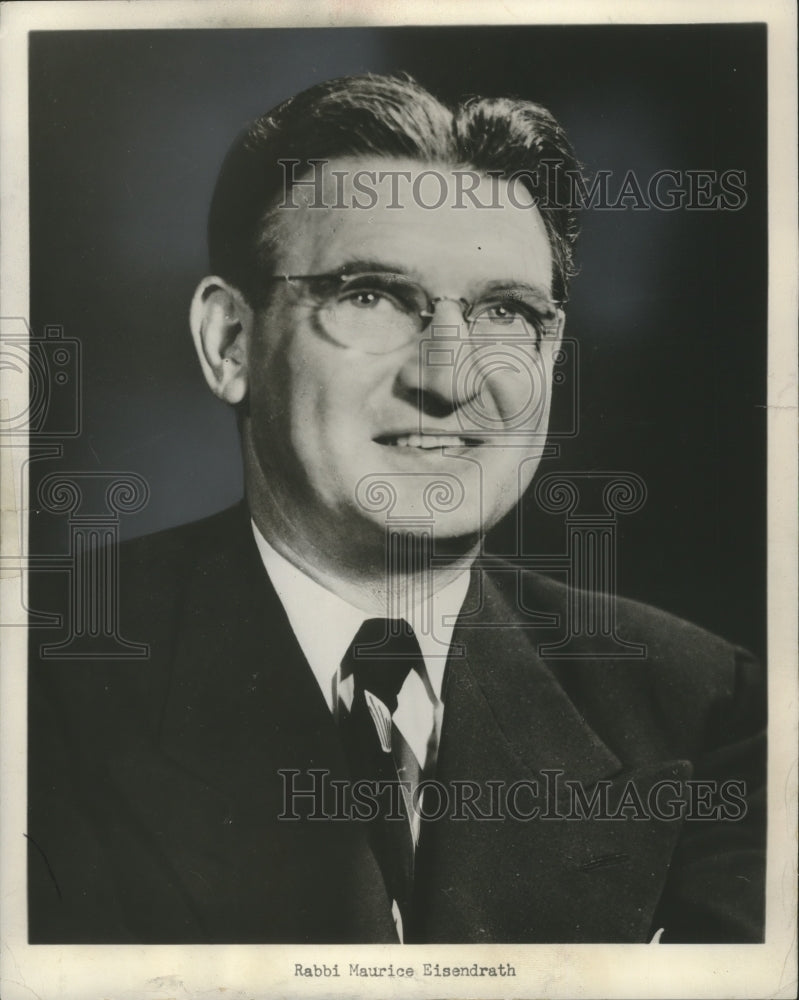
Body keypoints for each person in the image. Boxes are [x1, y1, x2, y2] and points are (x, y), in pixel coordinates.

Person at [28, 73, 765, 945]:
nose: (448, 378)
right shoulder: (38, 681)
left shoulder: (706, 708)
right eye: (370, 295)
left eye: (504, 312)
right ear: (231, 342)